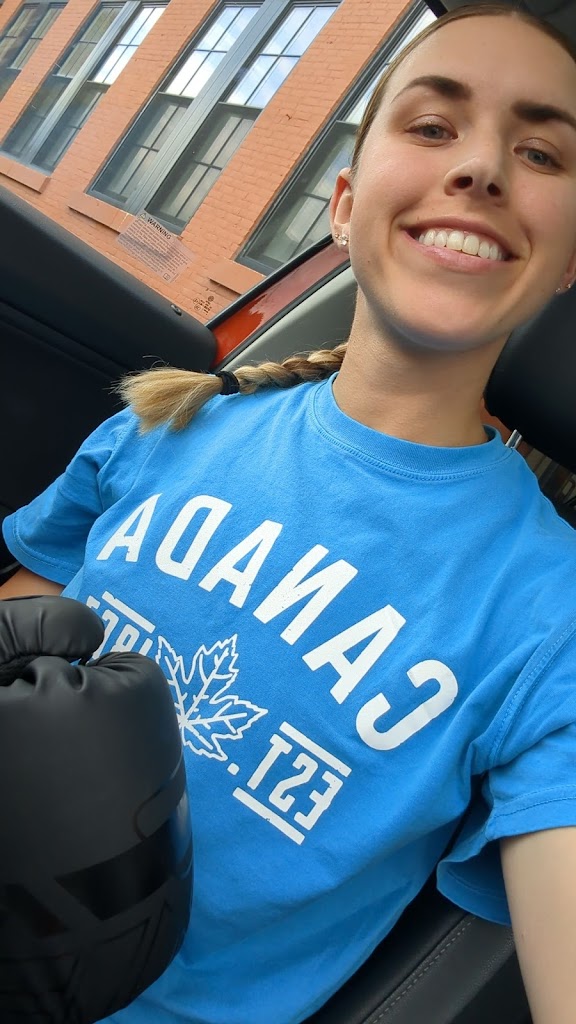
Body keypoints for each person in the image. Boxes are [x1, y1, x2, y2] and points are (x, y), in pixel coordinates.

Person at [3, 5, 576, 1021]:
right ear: (343, 205)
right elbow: (25, 606)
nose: (482, 167)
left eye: (541, 152)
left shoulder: (552, 612)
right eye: (433, 126)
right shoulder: (166, 422)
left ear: (571, 261)